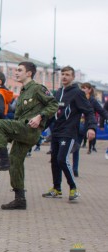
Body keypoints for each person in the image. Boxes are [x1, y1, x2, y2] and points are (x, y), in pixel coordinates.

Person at [0, 62, 58, 209]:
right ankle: (20, 199)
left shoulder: (37, 89)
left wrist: (40, 117)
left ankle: (2, 160)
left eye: (19, 70)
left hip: (29, 130)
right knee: (15, 163)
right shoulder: (23, 91)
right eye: (16, 70)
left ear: (29, 73)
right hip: (22, 130)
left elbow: (54, 105)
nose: (16, 73)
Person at [41, 67, 97, 201]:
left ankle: (73, 188)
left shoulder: (77, 93)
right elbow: (52, 114)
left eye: (67, 75)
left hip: (69, 132)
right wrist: (40, 127)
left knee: (62, 159)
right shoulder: (58, 92)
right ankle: (56, 189)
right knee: (54, 160)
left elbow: (89, 111)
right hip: (56, 132)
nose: (64, 77)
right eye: (63, 74)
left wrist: (92, 128)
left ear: (73, 77)